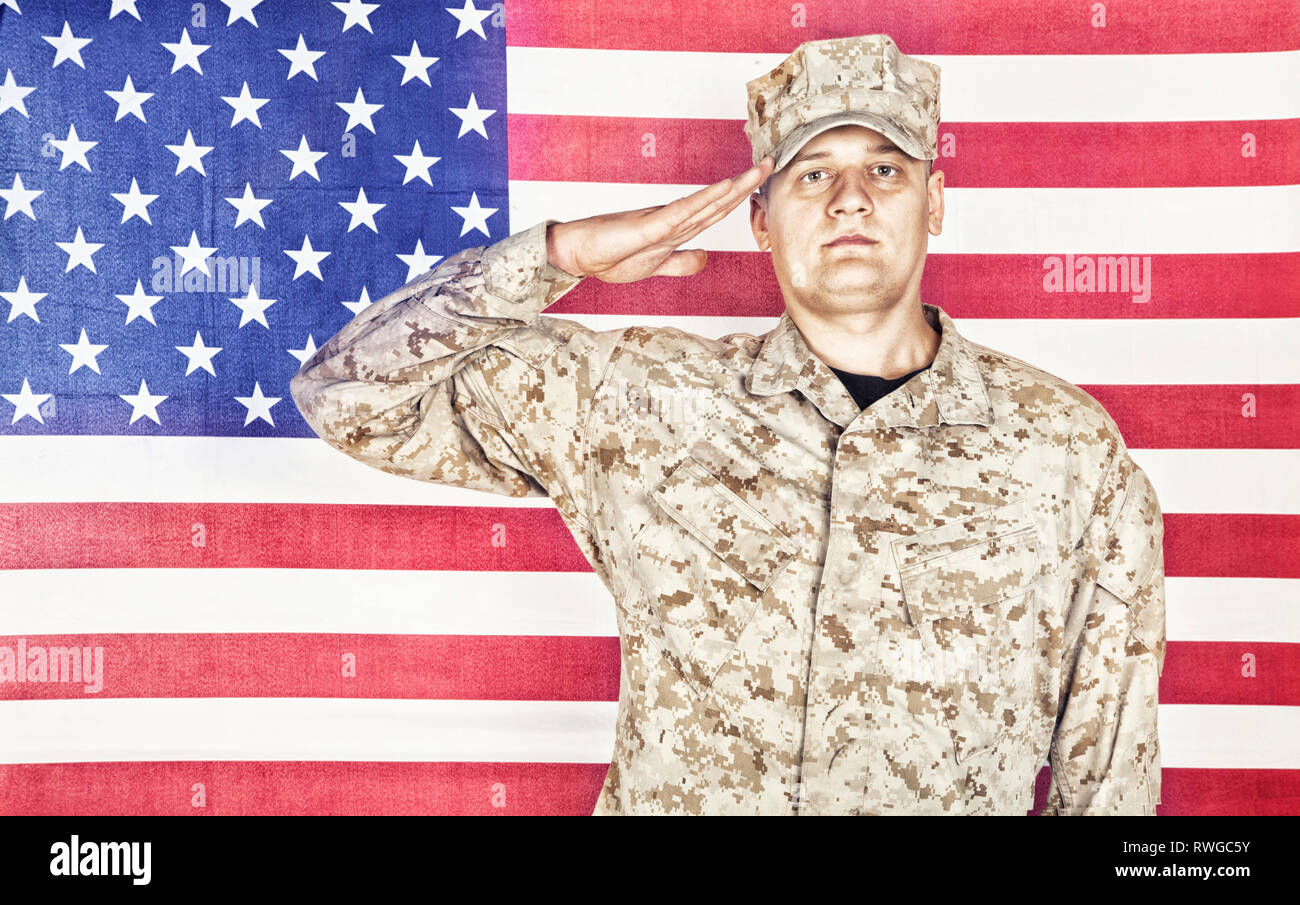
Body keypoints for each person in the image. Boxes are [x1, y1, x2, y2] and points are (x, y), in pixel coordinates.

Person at [290, 34, 1166, 815]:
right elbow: (346, 395)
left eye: (886, 169)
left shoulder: (1069, 453)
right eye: (813, 173)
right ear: (760, 219)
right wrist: (555, 257)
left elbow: (1113, 788)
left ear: (934, 203)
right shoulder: (638, 400)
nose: (851, 199)